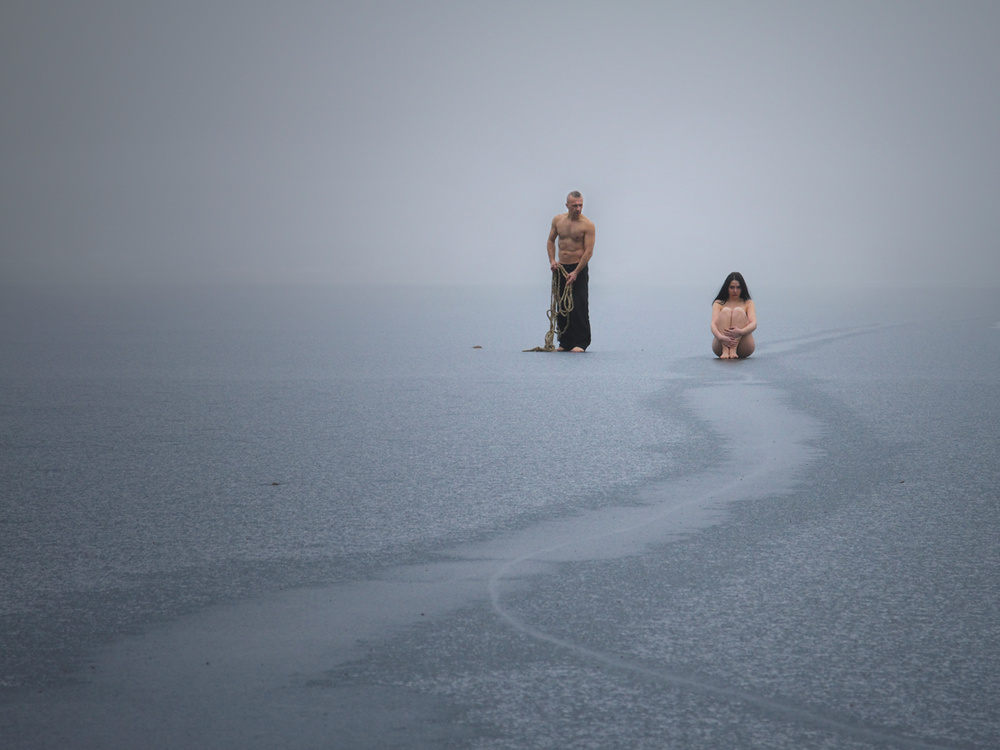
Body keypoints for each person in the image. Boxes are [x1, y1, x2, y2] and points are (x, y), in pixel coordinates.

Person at [546, 191, 595, 351]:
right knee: (562, 305)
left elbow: (588, 251)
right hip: (561, 268)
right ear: (567, 205)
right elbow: (551, 241)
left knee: (579, 305)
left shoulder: (587, 225)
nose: (578, 208)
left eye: (581, 205)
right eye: (575, 205)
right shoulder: (558, 220)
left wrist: (576, 272)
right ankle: (565, 341)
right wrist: (552, 261)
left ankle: (581, 343)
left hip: (578, 268)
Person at [711, 271, 756, 359]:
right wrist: (720, 337)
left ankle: (733, 350)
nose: (735, 291)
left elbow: (754, 323)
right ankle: (725, 350)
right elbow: (713, 324)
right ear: (727, 288)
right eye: (732, 287)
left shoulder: (748, 303)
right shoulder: (718, 303)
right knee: (726, 311)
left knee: (738, 311)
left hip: (743, 345)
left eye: (738, 287)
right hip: (721, 344)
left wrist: (740, 332)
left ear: (742, 288)